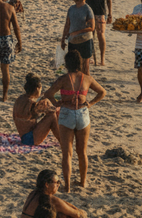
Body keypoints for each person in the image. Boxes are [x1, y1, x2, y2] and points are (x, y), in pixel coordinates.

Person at [44, 51, 106, 191]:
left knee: (67, 153)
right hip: (82, 113)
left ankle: (67, 186)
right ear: (80, 63)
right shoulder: (87, 78)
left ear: (67, 64)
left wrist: (57, 103)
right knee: (82, 152)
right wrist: (90, 103)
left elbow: (48, 93)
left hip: (67, 113)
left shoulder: (63, 79)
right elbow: (102, 92)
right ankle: (83, 182)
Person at [79, 0, 112, 66]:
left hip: (100, 12)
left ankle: (102, 59)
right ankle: (90, 57)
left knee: (101, 34)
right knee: (89, 35)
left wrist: (110, 13)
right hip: (87, 12)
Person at [14, 74, 61, 147]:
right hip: (30, 139)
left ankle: (61, 137)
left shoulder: (20, 99)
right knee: (52, 115)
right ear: (37, 89)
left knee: (52, 112)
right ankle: (62, 139)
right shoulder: (30, 103)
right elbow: (52, 111)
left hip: (23, 137)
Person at [20, 169, 87, 218]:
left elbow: (64, 204)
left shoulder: (33, 194)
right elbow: (77, 214)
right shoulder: (52, 201)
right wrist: (83, 212)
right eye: (57, 182)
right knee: (63, 215)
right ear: (47, 184)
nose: (58, 185)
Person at [61, 0, 95, 75]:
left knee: (85, 68)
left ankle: (85, 84)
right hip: (73, 41)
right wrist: (63, 39)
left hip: (85, 40)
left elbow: (92, 27)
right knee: (73, 68)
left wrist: (77, 32)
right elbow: (67, 25)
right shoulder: (71, 9)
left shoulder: (87, 9)